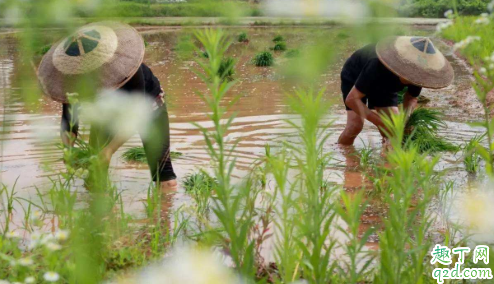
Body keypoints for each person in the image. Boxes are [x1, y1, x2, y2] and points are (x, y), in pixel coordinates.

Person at [37, 22, 177, 190]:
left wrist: (109, 150)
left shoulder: (128, 70)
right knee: (95, 174)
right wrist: (68, 150)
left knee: (164, 173)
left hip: (147, 105)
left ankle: (164, 212)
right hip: (104, 109)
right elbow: (69, 118)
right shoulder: (73, 78)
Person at [338, 36, 454, 145]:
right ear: (403, 66)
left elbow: (411, 97)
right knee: (355, 126)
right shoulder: (376, 64)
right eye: (409, 76)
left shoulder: (418, 72)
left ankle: (388, 162)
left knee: (393, 132)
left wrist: (405, 120)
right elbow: (352, 100)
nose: (413, 80)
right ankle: (345, 155)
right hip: (356, 74)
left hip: (385, 86)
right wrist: (381, 122)